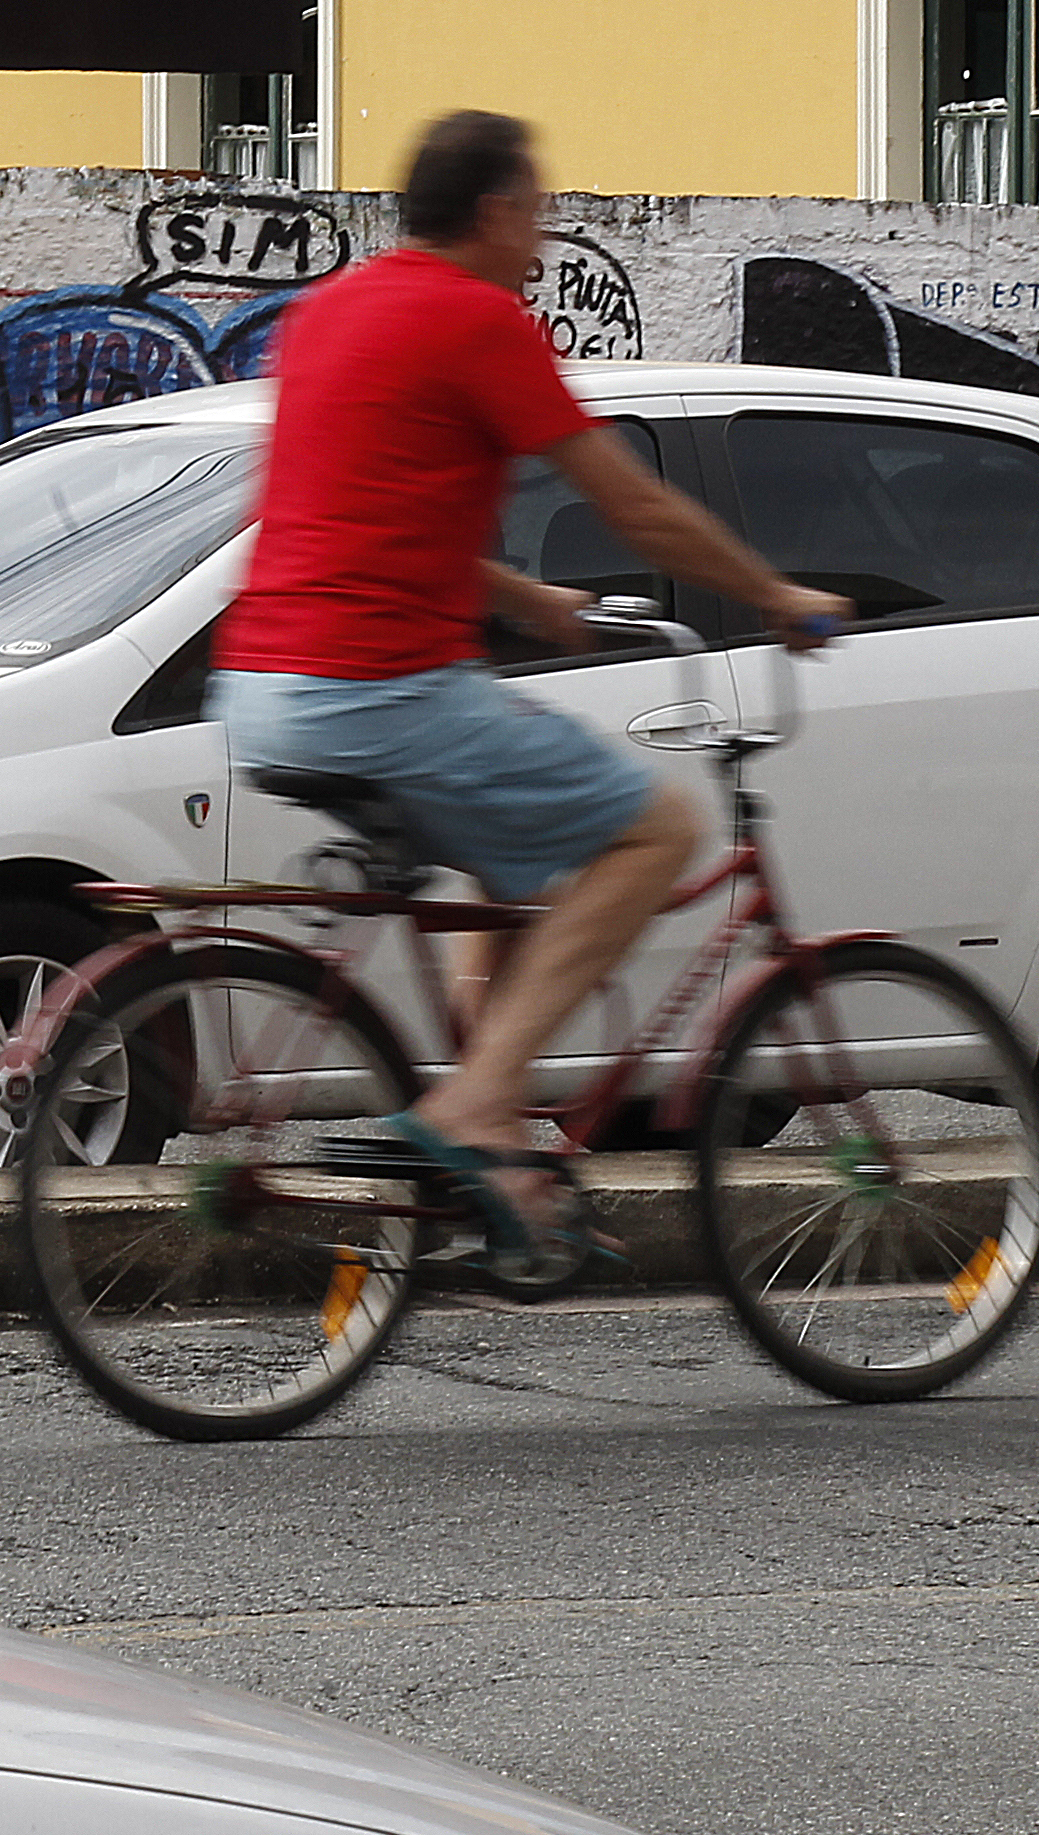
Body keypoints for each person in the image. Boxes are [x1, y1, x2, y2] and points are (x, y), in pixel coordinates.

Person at [210, 110, 848, 1273]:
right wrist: (774, 595)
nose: (546, 245)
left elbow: (357, 515)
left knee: (512, 866)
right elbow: (637, 507)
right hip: (381, 687)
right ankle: (477, 1103)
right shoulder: (477, 320)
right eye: (540, 216)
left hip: (261, 686)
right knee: (657, 830)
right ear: (497, 212)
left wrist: (527, 599)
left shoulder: (328, 314)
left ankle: (495, 1156)